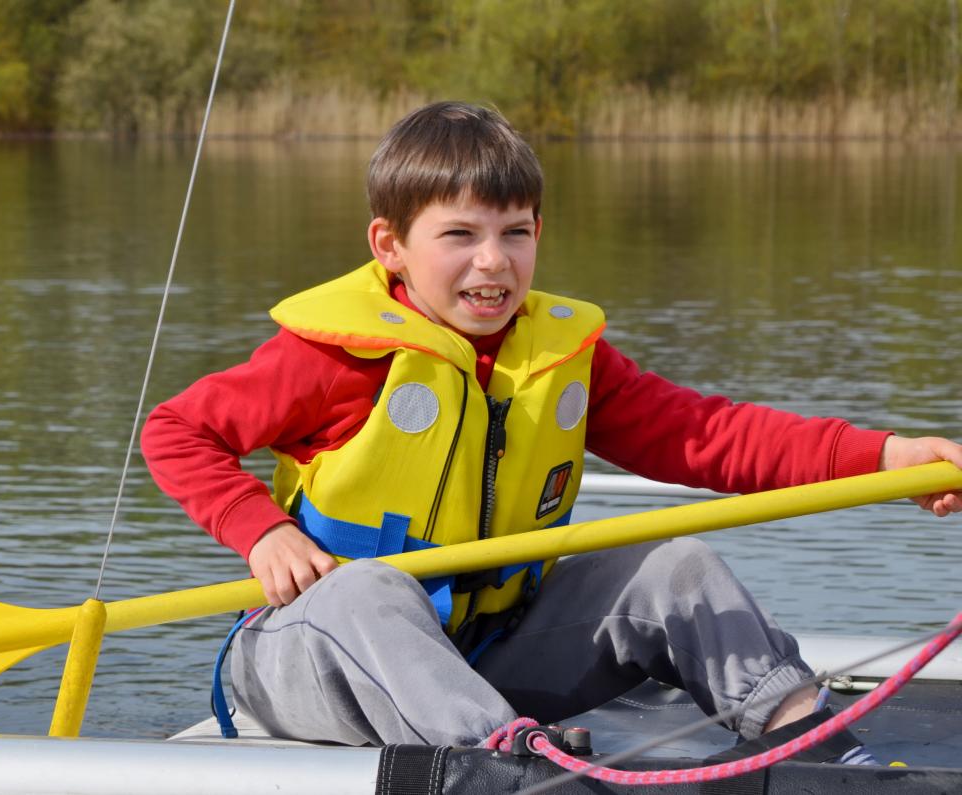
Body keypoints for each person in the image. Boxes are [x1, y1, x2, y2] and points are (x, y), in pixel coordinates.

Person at [141, 101, 962, 761]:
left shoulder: (567, 358)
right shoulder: (330, 359)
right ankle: (506, 766)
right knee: (367, 587)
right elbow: (176, 430)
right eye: (460, 235)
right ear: (390, 246)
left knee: (677, 565)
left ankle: (809, 743)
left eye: (516, 232)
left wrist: (888, 456)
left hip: (484, 655)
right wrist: (262, 530)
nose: (493, 261)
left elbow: (710, 435)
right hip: (313, 658)